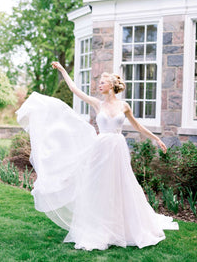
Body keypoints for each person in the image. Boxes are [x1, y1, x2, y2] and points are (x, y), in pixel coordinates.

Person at [16, 62, 179, 251]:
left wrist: (155, 139)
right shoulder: (97, 103)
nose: (99, 85)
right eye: (99, 83)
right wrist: (62, 70)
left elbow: (137, 126)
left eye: (102, 82)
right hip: (100, 149)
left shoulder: (124, 106)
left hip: (117, 149)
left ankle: (124, 226)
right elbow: (75, 89)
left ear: (111, 85)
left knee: (121, 186)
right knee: (98, 187)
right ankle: (99, 227)